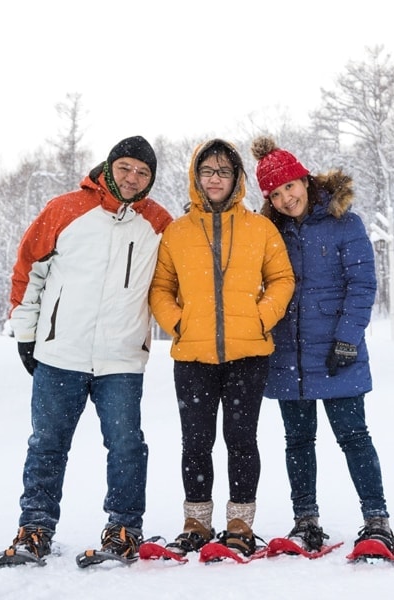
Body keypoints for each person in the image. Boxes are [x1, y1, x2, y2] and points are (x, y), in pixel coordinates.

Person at [0, 136, 173, 567]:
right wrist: (26, 333)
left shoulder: (159, 223)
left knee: (127, 446)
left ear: (151, 179)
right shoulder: (65, 209)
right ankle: (34, 530)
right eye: (126, 167)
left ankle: (124, 530)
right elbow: (28, 271)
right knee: (47, 444)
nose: (133, 178)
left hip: (122, 357)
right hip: (61, 354)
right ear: (109, 166)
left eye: (143, 172)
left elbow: (182, 274)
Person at [250, 136, 394, 554]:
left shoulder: (344, 221)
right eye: (274, 194)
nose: (285, 198)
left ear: (304, 178)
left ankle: (377, 520)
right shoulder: (270, 231)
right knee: (297, 441)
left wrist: (348, 338)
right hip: (287, 353)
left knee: (353, 436)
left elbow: (362, 283)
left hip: (337, 351)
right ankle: (306, 521)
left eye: (289, 187)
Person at [148, 139, 294, 557]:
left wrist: (260, 318)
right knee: (195, 441)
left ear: (237, 179)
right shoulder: (176, 232)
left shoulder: (260, 229)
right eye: (208, 171)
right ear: (196, 177)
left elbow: (282, 279)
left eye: (223, 171)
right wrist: (178, 323)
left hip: (248, 355)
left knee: (241, 438)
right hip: (193, 356)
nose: (215, 179)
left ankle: (239, 525)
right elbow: (161, 288)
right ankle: (196, 522)